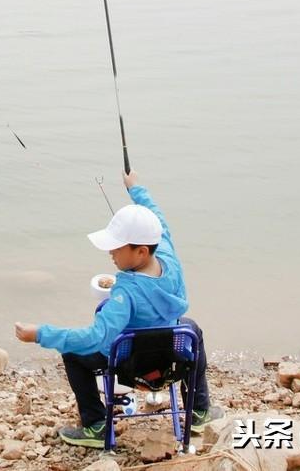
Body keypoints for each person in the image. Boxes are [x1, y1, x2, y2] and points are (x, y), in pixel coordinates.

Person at [13, 171, 222, 448]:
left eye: (116, 247)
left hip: (130, 367)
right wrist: (135, 188)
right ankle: (198, 410)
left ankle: (96, 425)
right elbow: (157, 217)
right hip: (172, 359)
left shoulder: (125, 294)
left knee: (74, 354)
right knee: (192, 328)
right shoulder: (167, 253)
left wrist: (40, 334)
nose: (110, 252)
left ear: (141, 252)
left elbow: (94, 338)